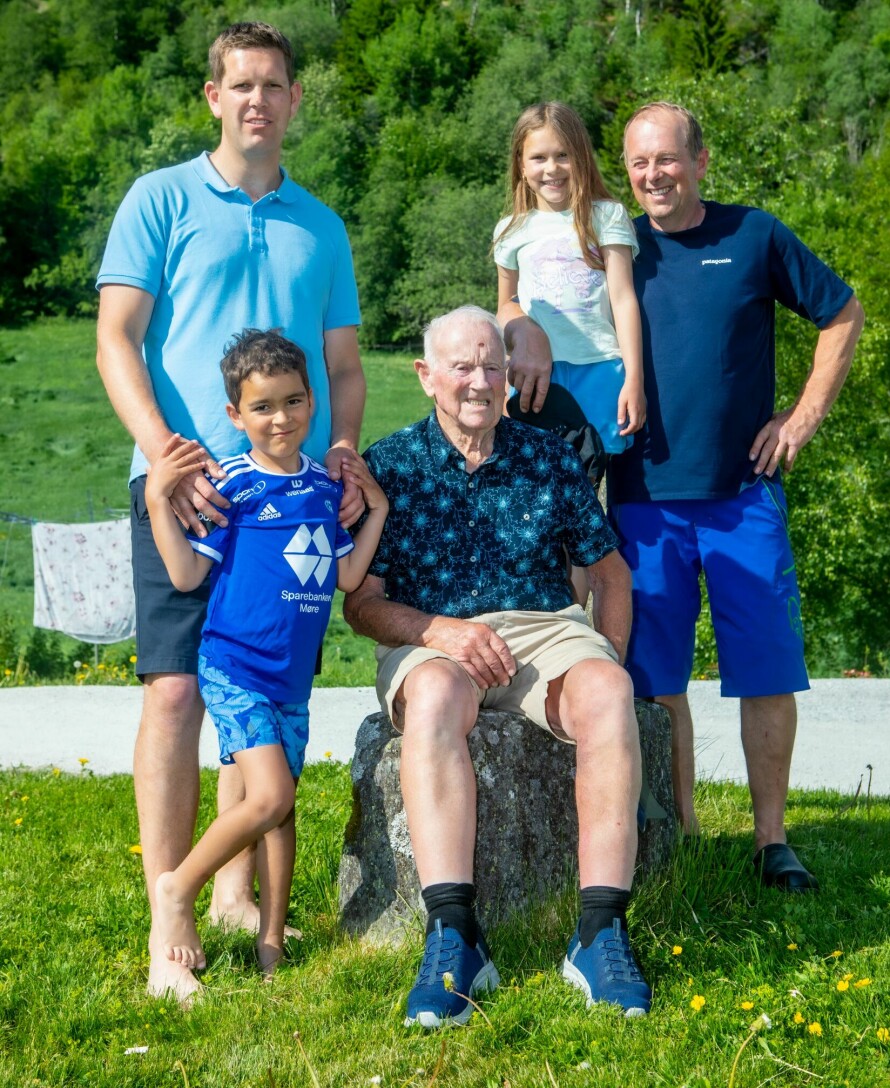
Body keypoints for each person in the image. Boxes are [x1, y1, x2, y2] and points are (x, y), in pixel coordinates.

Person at [95, 21, 365, 1001]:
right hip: (182, 481)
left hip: (289, 496)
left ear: (295, 100)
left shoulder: (320, 225)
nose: (258, 99)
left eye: (274, 86)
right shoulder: (160, 199)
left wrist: (339, 451)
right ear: (213, 96)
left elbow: (339, 368)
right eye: (240, 84)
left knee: (255, 680)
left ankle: (233, 896)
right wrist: (169, 453)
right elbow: (117, 339)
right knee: (174, 691)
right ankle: (170, 919)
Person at [343, 306, 652, 1028]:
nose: (479, 381)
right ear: (427, 377)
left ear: (509, 376)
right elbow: (361, 605)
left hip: (544, 631)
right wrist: (437, 632)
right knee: (441, 692)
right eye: (461, 366)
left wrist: (605, 654)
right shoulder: (392, 466)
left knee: (608, 691)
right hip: (431, 639)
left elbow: (610, 575)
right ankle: (455, 935)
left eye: (492, 366)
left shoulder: (549, 456)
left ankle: (599, 933)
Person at [607, 101, 864, 886]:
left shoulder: (753, 235)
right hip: (641, 495)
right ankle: (681, 830)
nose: (654, 176)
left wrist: (802, 419)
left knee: (765, 669)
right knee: (654, 680)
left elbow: (843, 313)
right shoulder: (612, 251)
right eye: (640, 164)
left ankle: (770, 841)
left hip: (743, 494)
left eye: (668, 160)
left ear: (701, 161)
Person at [144, 329, 387, 981]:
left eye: (293, 401)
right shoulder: (237, 486)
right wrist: (155, 499)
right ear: (235, 415)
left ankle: (271, 946)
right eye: (262, 407)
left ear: (313, 403)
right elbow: (188, 576)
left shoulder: (320, 488)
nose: (280, 418)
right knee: (270, 794)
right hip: (235, 671)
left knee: (283, 809)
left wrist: (380, 510)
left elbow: (344, 578)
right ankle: (178, 887)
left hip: (290, 682)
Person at [494, 102, 645, 453]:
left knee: (598, 478)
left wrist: (634, 378)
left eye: (563, 155)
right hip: (536, 377)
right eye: (539, 158)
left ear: (581, 157)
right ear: (520, 163)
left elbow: (623, 300)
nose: (552, 169)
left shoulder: (607, 216)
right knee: (539, 478)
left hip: (602, 368)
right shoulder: (510, 230)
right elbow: (505, 307)